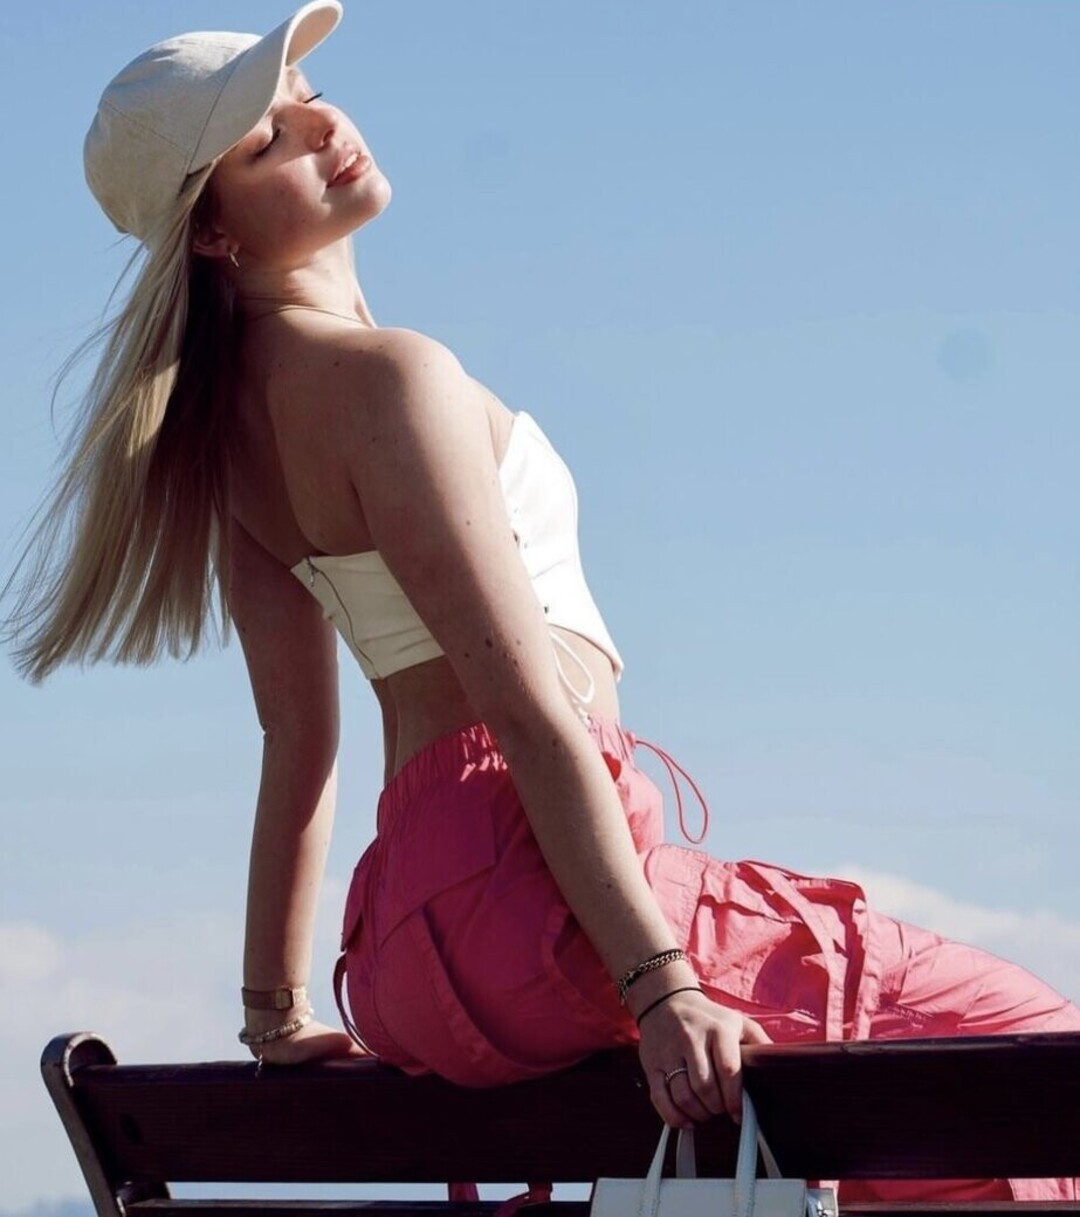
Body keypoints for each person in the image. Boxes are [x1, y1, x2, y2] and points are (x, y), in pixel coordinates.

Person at [4, 1, 1077, 1202]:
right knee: (1032, 1051)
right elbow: (522, 708)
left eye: (307, 97)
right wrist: (661, 983)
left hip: (412, 946)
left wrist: (274, 1008)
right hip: (544, 895)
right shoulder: (392, 377)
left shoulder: (231, 444)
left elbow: (296, 742)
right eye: (266, 142)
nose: (322, 125)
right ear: (212, 232)